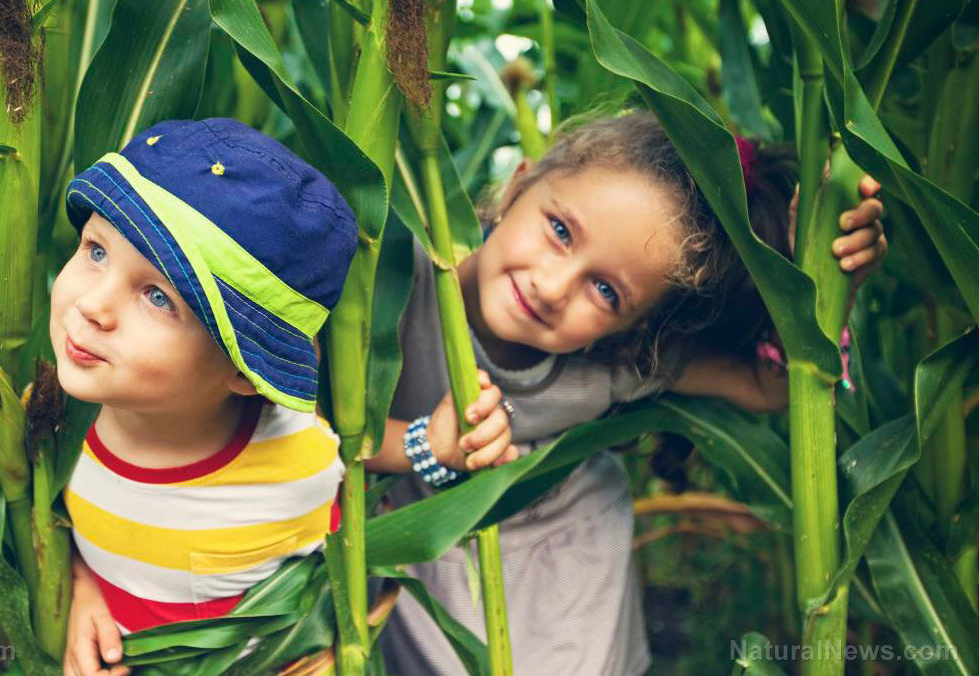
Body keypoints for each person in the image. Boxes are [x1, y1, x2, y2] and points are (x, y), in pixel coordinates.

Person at [368, 111, 887, 675]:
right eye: (561, 231)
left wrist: (822, 281)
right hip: (431, 547)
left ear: (632, 326)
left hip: (569, 560)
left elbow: (765, 386)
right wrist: (425, 445)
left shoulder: (612, 361)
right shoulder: (397, 277)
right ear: (520, 184)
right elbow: (322, 427)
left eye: (606, 291)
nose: (552, 286)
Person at [53, 118, 358, 676]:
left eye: (157, 296)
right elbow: (47, 522)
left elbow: (341, 581)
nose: (94, 305)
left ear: (246, 373)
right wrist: (78, 585)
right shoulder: (52, 416)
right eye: (96, 250)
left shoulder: (297, 467)